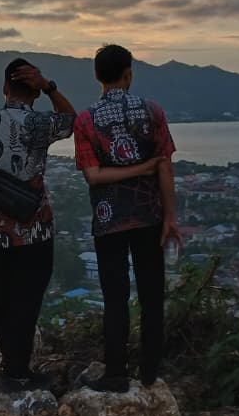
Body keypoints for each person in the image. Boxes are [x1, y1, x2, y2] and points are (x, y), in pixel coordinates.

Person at [73, 45, 181, 393]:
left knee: (115, 297)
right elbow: (165, 166)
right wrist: (170, 216)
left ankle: (116, 372)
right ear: (129, 74)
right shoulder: (152, 111)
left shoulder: (86, 119)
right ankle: (150, 371)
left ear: (96, 76)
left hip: (108, 221)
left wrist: (130, 169)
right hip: (149, 216)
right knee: (152, 294)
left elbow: (93, 175)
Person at [0, 58, 76, 392]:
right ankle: (20, 369)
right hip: (36, 227)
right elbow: (71, 121)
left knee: (5, 296)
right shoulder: (40, 123)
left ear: (4, 88)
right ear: (36, 93)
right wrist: (50, 86)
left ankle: (9, 365)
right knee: (29, 298)